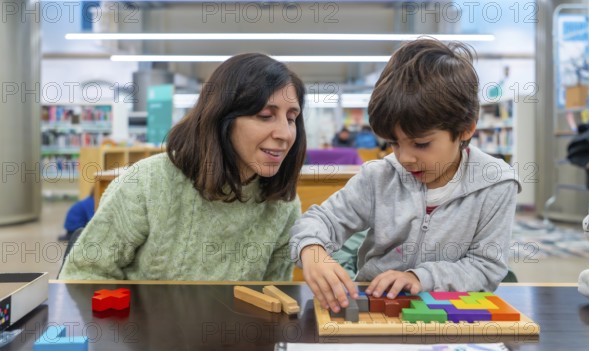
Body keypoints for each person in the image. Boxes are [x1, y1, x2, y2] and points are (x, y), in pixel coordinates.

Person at [290, 38, 520, 312]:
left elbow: (486, 267)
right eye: (394, 143)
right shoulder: (378, 177)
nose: (405, 158)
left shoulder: (496, 184)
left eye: (421, 144)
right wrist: (313, 251)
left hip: (448, 313)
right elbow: (320, 220)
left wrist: (420, 278)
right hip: (375, 308)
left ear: (466, 129)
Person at [60, 53, 307, 281]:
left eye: (291, 118)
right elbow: (82, 276)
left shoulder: (283, 205)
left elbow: (274, 296)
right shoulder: (147, 183)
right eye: (265, 116)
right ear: (222, 118)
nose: (285, 133)